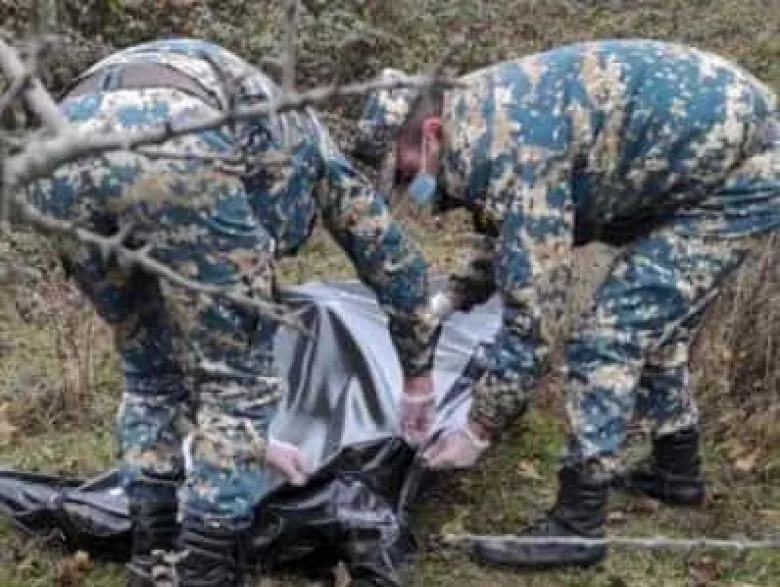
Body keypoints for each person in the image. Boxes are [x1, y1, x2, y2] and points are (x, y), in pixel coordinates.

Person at [24, 38, 442, 586]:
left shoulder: (269, 126)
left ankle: (153, 560)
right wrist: (418, 379)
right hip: (173, 139)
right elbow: (398, 268)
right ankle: (205, 570)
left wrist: (251, 442)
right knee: (239, 379)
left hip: (57, 145)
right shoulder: (317, 154)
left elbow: (192, 315)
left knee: (149, 371)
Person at [352, 38, 779, 570]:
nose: (406, 186)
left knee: (609, 336)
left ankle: (578, 525)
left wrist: (478, 428)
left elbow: (534, 317)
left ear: (432, 133)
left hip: (745, 175)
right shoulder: (484, 119)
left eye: (403, 171)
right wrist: (453, 294)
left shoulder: (512, 144)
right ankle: (677, 470)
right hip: (705, 160)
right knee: (654, 322)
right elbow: (511, 235)